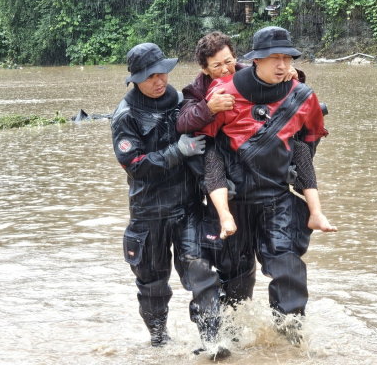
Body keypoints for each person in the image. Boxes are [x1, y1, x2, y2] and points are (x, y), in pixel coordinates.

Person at [200, 26, 337, 342]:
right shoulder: (224, 93)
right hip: (234, 201)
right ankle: (232, 343)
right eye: (274, 58)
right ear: (255, 60)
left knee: (289, 271)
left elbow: (309, 139)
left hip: (277, 199)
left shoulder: (303, 96)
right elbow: (208, 144)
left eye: (287, 58)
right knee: (234, 281)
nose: (282, 65)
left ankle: (290, 344)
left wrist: (290, 166)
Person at [110, 43, 227, 356]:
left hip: (188, 207)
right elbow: (135, 166)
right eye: (151, 77)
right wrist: (178, 150)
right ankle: (159, 341)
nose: (159, 80)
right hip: (148, 213)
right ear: (135, 78)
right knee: (152, 284)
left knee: (201, 269)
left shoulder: (181, 101)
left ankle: (211, 342)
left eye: (162, 73)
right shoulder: (126, 116)